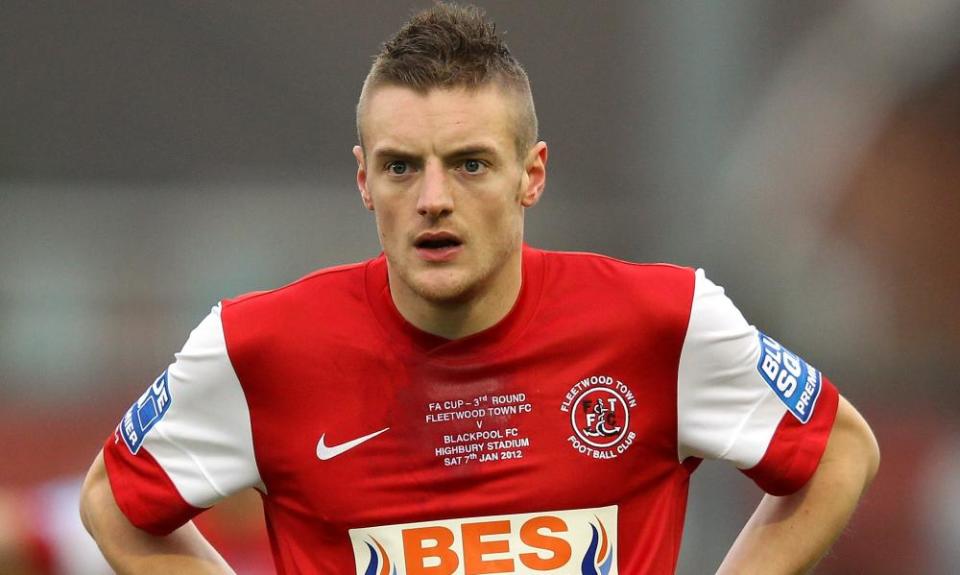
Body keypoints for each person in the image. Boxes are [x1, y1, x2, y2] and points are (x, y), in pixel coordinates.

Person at [78, 4, 880, 574]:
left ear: (531, 175)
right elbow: (114, 503)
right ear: (363, 180)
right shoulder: (259, 347)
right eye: (401, 166)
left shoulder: (661, 321)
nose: (433, 198)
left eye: (469, 164)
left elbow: (840, 449)